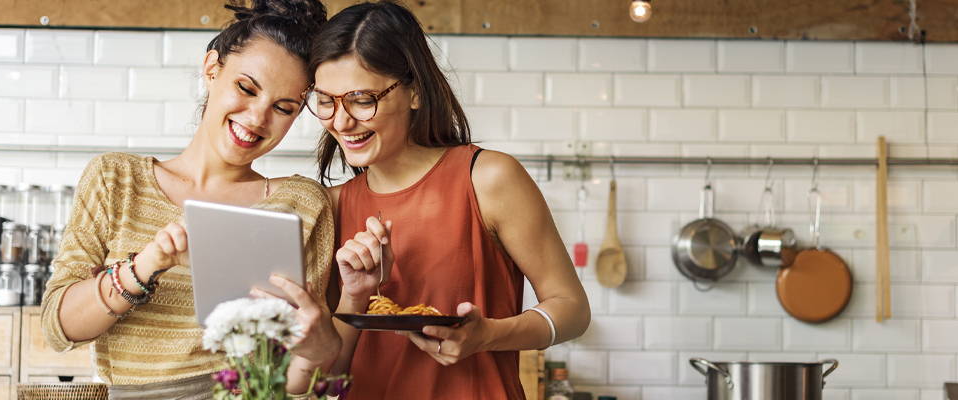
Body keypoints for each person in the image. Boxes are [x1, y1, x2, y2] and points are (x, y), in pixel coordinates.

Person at [40, 1, 340, 398]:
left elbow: (294, 372)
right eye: (246, 88)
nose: (256, 118)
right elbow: (58, 328)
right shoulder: (116, 180)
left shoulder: (302, 203)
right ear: (212, 68)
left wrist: (318, 350)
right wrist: (145, 265)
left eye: (283, 108)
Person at [307, 2, 592, 398]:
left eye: (361, 99)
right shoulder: (330, 204)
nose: (340, 121)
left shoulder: (488, 179)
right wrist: (355, 296)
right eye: (325, 100)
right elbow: (327, 375)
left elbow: (573, 310)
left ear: (415, 93)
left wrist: (489, 335)